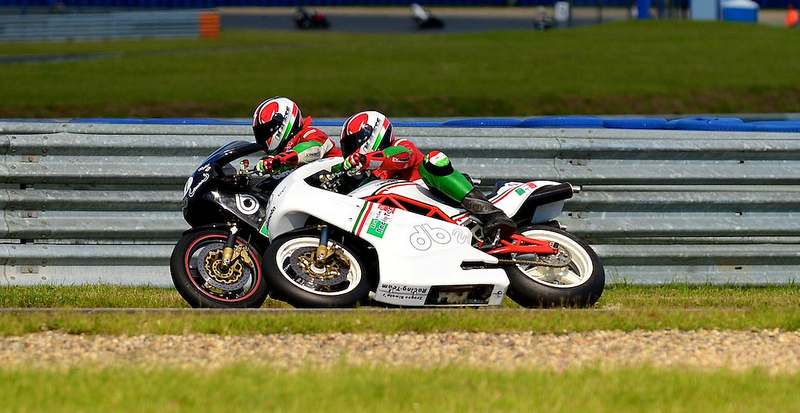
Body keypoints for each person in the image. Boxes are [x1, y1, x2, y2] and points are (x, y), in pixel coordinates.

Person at [337, 110, 516, 244]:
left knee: (433, 160)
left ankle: (491, 214)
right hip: (415, 226)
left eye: (353, 143)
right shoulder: (370, 177)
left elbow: (402, 156)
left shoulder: (400, 147)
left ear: (372, 134)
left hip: (443, 199)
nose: (351, 151)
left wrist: (367, 159)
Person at [251, 97, 341, 179]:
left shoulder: (311, 133)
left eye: (265, 131)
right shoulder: (280, 154)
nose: (262, 136)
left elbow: (312, 150)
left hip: (340, 183)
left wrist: (278, 161)